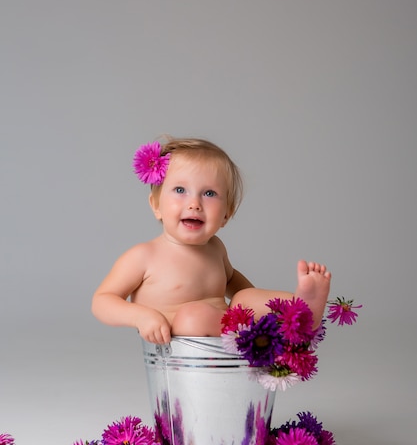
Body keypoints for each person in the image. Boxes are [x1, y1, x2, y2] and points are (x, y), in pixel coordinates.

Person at [92, 136, 331, 344]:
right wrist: (141, 316)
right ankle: (264, 332)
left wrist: (257, 302)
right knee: (192, 315)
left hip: (229, 335)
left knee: (245, 298)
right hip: (187, 347)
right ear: (156, 206)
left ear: (226, 214)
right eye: (179, 190)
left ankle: (301, 311)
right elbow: (102, 301)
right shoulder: (144, 256)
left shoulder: (216, 248)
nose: (194, 203)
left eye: (209, 194)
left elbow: (232, 280)